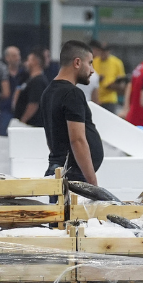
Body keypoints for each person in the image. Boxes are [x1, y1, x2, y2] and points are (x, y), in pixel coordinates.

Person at [41, 40, 103, 184]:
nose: (92, 70)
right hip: (73, 175)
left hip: (58, 170)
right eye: (90, 63)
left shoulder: (49, 91)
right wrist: (93, 183)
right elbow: (77, 140)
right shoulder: (72, 93)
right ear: (77, 63)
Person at [90, 40, 126, 113]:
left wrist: (115, 84)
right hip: (97, 98)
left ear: (109, 51)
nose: (103, 53)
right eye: (102, 51)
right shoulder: (94, 61)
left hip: (110, 99)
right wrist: (98, 79)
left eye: (105, 51)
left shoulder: (116, 62)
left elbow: (122, 81)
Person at [14, 51, 48, 128]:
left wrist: (23, 121)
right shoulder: (29, 80)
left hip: (32, 125)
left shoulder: (38, 81)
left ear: (35, 62)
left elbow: (33, 104)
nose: (26, 63)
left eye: (28, 60)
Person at [0, 46, 26, 133]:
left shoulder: (24, 74)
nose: (18, 58)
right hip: (5, 110)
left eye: (18, 55)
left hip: (20, 111)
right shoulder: (2, 74)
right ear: (7, 58)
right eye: (14, 56)